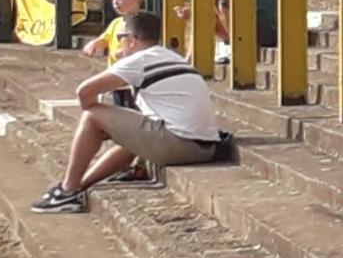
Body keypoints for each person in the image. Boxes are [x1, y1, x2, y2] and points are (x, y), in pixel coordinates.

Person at [33, 11, 222, 212]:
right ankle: (80, 187)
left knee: (91, 117)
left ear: (132, 40)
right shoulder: (171, 57)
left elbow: (84, 91)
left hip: (178, 144)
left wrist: (93, 120)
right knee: (129, 139)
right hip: (204, 147)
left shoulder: (139, 60)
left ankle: (67, 189)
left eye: (120, 38)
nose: (120, 43)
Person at [83, 0, 147, 61]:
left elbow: (140, 48)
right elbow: (105, 39)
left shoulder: (142, 23)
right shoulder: (116, 23)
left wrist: (120, 53)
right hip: (115, 69)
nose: (115, 2)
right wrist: (94, 44)